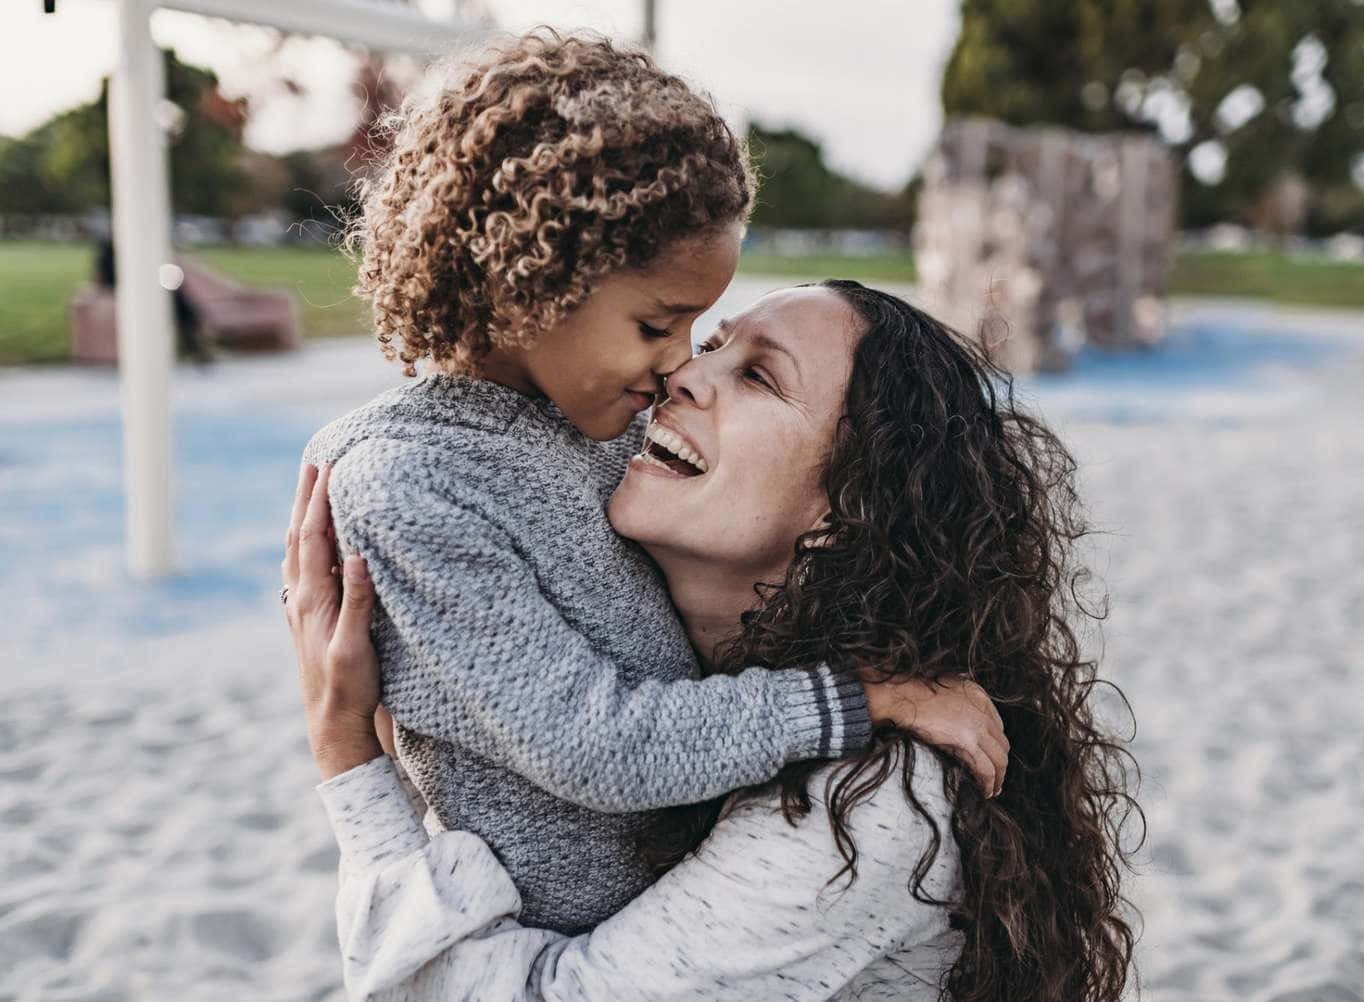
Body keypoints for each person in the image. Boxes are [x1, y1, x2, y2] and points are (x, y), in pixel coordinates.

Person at [297, 30, 1008, 937]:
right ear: (528, 284)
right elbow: (593, 743)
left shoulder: (588, 411)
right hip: (575, 945)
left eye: (698, 328)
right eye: (655, 325)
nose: (677, 365)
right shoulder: (412, 484)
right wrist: (863, 694)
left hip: (699, 881)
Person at [286, 282, 1141, 1002]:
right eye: (711, 345)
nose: (683, 373)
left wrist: (347, 755)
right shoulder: (678, 677)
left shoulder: (871, 804)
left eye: (759, 376)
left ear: (848, 510)